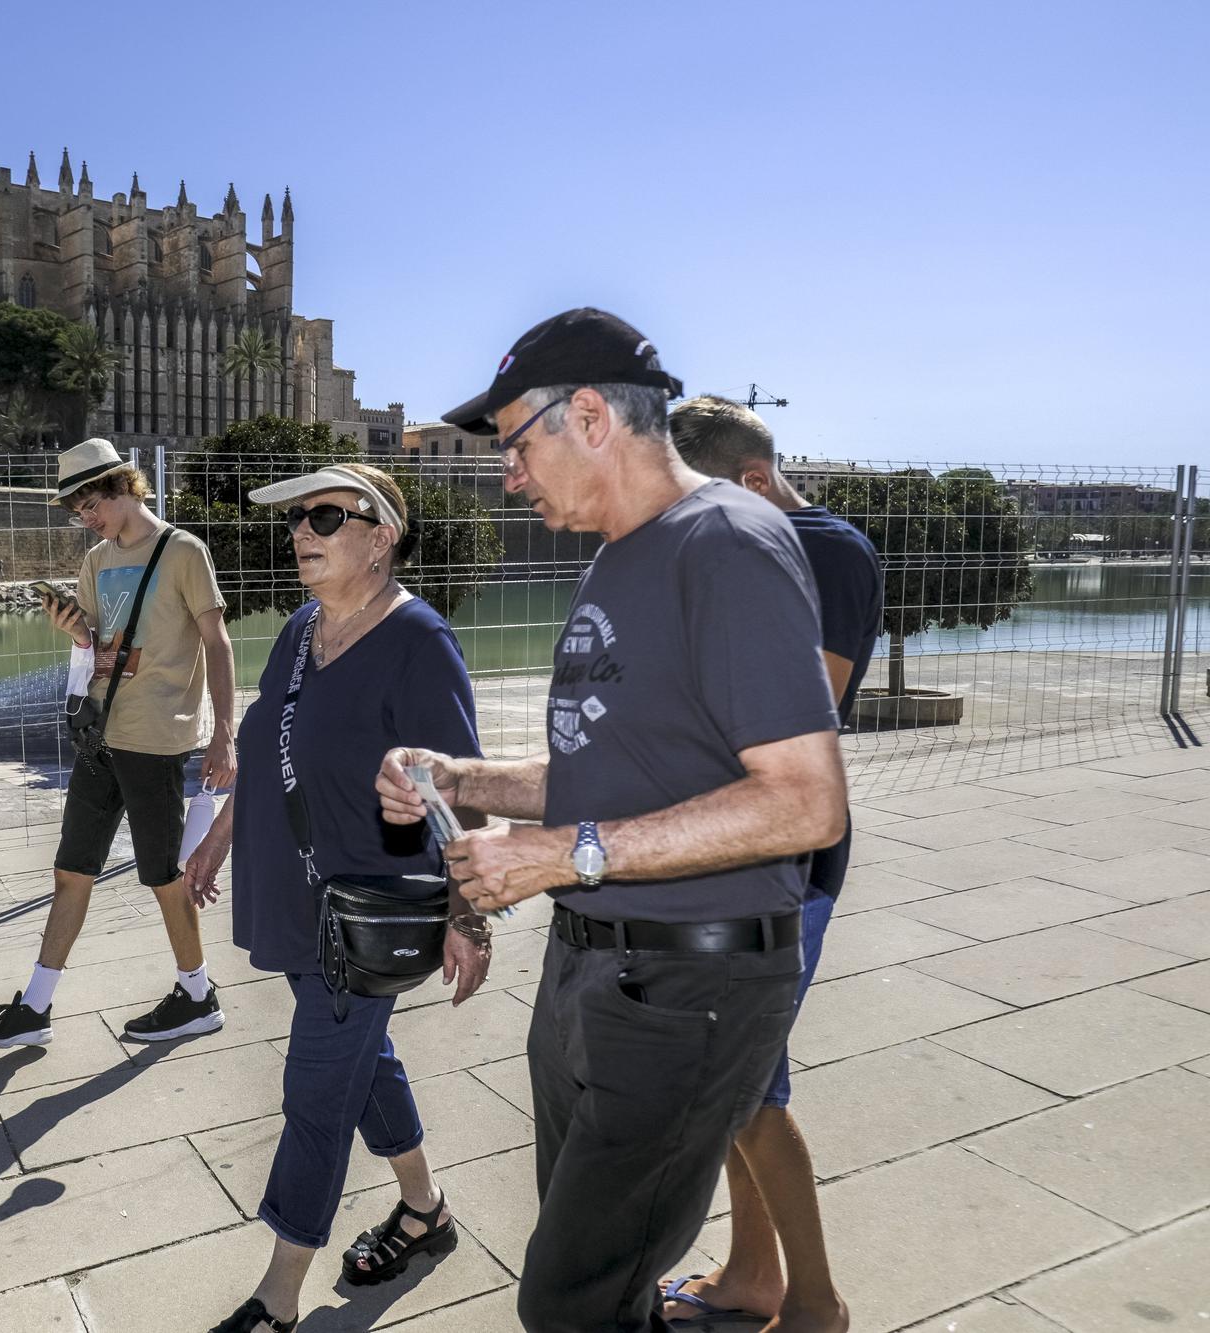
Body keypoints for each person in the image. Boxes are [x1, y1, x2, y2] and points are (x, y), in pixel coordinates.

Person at [375, 308, 850, 1333]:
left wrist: (562, 855)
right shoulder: (612, 558)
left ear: (587, 416)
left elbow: (804, 800)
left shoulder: (725, 538)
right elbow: (608, 769)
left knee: (566, 1299)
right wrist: (456, 776)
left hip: (690, 983)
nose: (507, 473)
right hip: (592, 969)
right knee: (593, 1267)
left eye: (513, 443)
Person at [183, 463, 492, 1333]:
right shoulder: (301, 625)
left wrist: (467, 914)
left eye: (326, 516)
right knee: (363, 1062)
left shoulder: (418, 640)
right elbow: (264, 738)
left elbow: (456, 788)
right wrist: (217, 835)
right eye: (296, 521)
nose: (302, 533)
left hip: (370, 910)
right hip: (294, 898)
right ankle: (424, 1211)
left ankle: (277, 1296)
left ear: (382, 535)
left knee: (315, 1090)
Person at [656, 396, 881, 1332]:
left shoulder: (822, 549)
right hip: (727, 856)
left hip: (783, 867)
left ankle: (818, 1304)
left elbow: (795, 713)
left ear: (752, 483)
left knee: (737, 1087)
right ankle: (754, 1274)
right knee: (746, 1081)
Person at [0, 438, 238, 1049]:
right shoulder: (95, 561)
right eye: (77, 510)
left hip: (157, 739)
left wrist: (225, 734)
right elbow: (94, 640)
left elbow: (217, 643)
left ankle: (197, 995)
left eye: (89, 504)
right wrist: (73, 627)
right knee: (72, 871)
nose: (84, 518)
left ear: (120, 487)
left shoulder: (183, 552)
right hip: (101, 735)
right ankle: (35, 1007)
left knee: (164, 876)